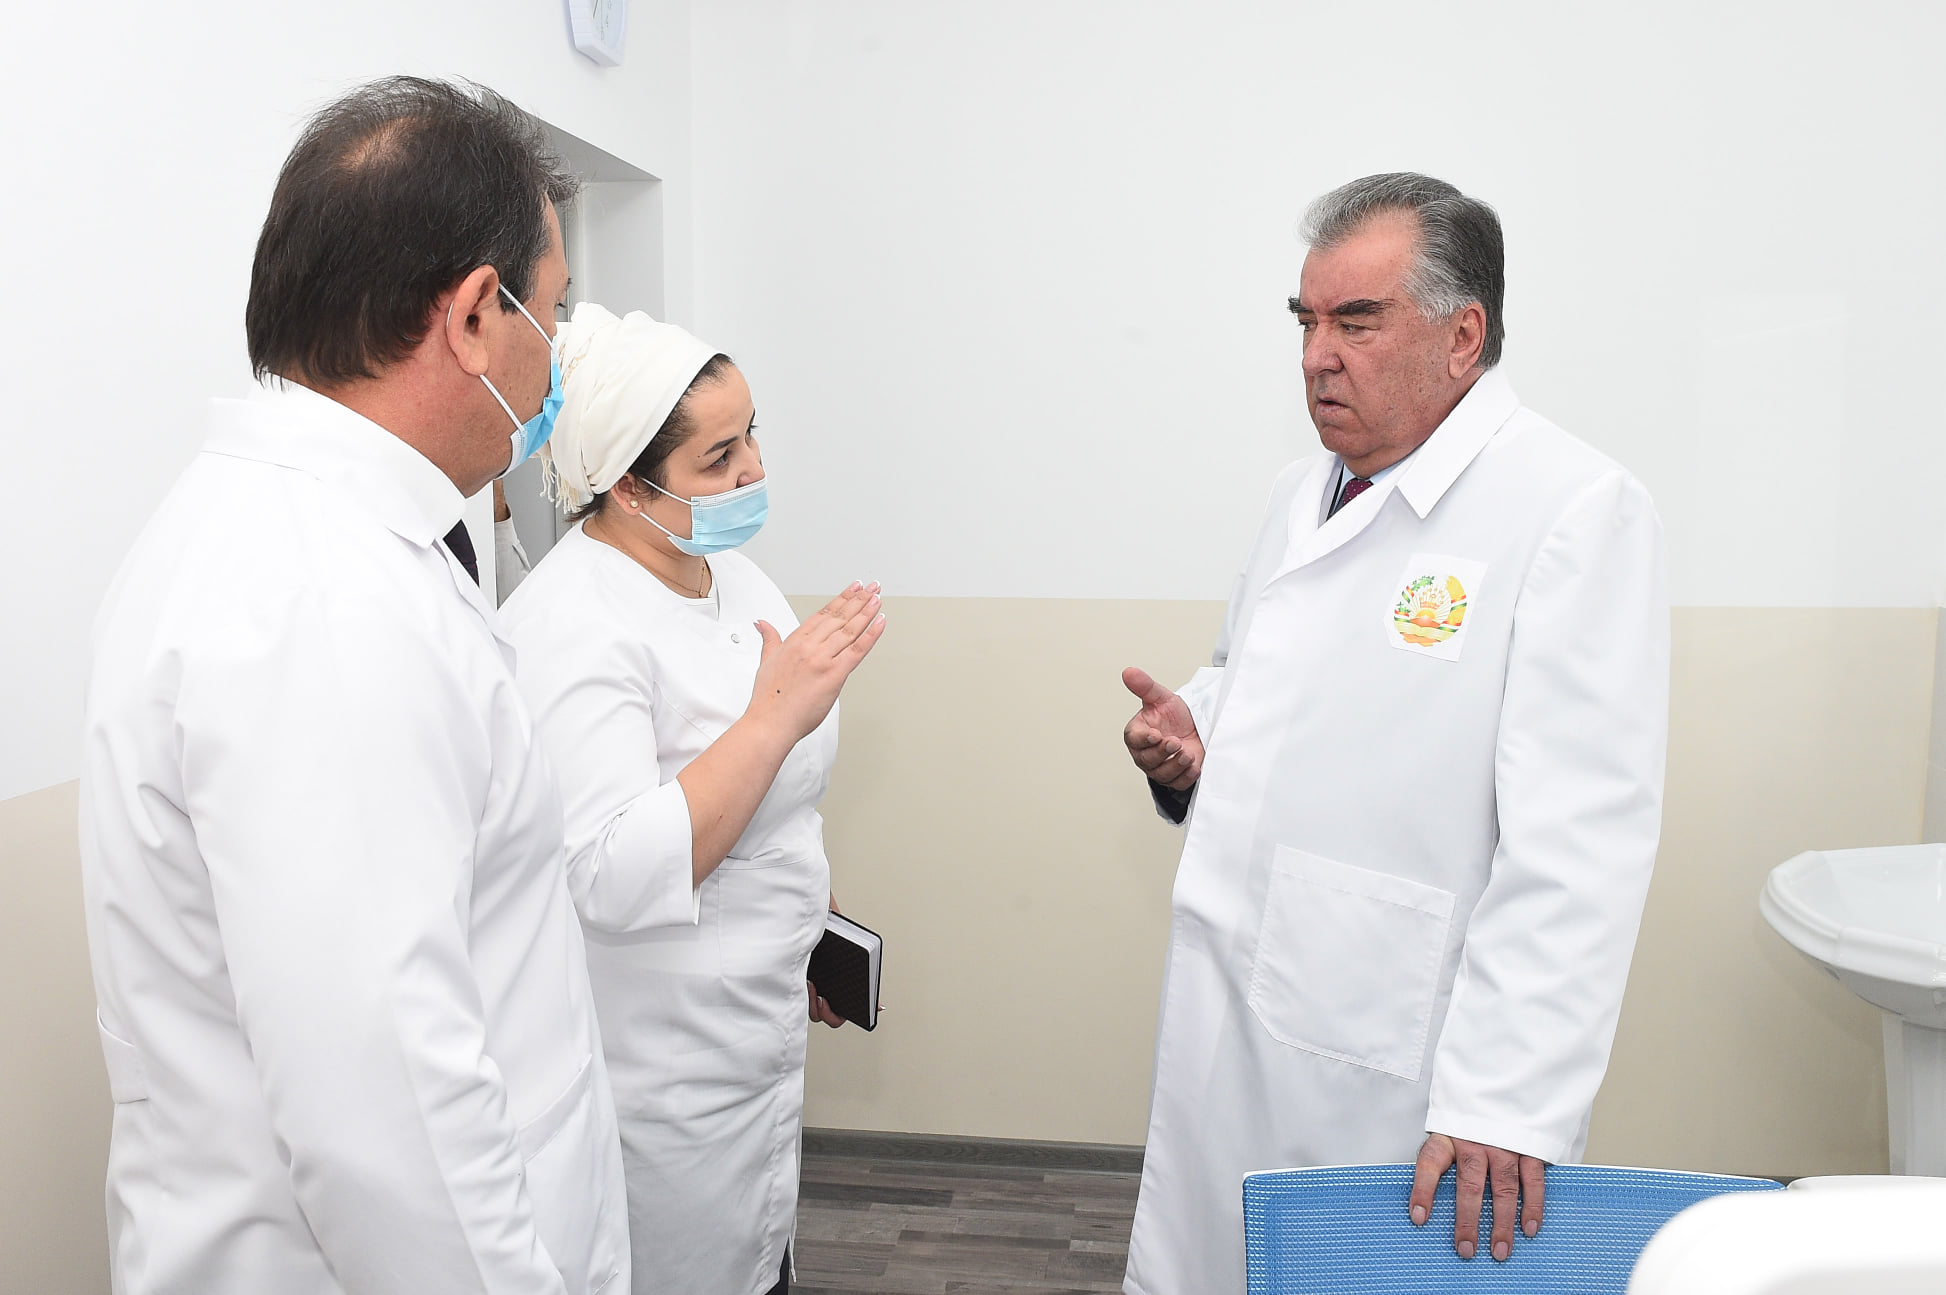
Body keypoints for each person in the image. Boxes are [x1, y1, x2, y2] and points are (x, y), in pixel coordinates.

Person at [78, 78, 628, 1294]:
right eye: (552, 311)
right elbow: (391, 1122)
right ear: (474, 316)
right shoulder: (323, 603)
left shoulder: (304, 539)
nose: (555, 355)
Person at [1119, 173, 1669, 1295]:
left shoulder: (1571, 508)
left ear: (1462, 336)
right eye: (1306, 322)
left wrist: (1506, 1099)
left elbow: (1580, 842)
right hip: (1246, 995)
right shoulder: (1300, 491)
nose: (1317, 357)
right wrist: (1195, 743)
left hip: (1401, 1053)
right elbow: (1255, 678)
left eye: (1356, 323)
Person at [500, 302, 885, 1295]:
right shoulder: (570, 625)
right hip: (656, 1080)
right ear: (629, 484)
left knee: (761, 1260)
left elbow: (771, 805)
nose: (753, 468)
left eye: (751, 434)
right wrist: (772, 716)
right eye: (719, 456)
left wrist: (807, 918)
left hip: (755, 1038)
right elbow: (612, 873)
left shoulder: (734, 578)